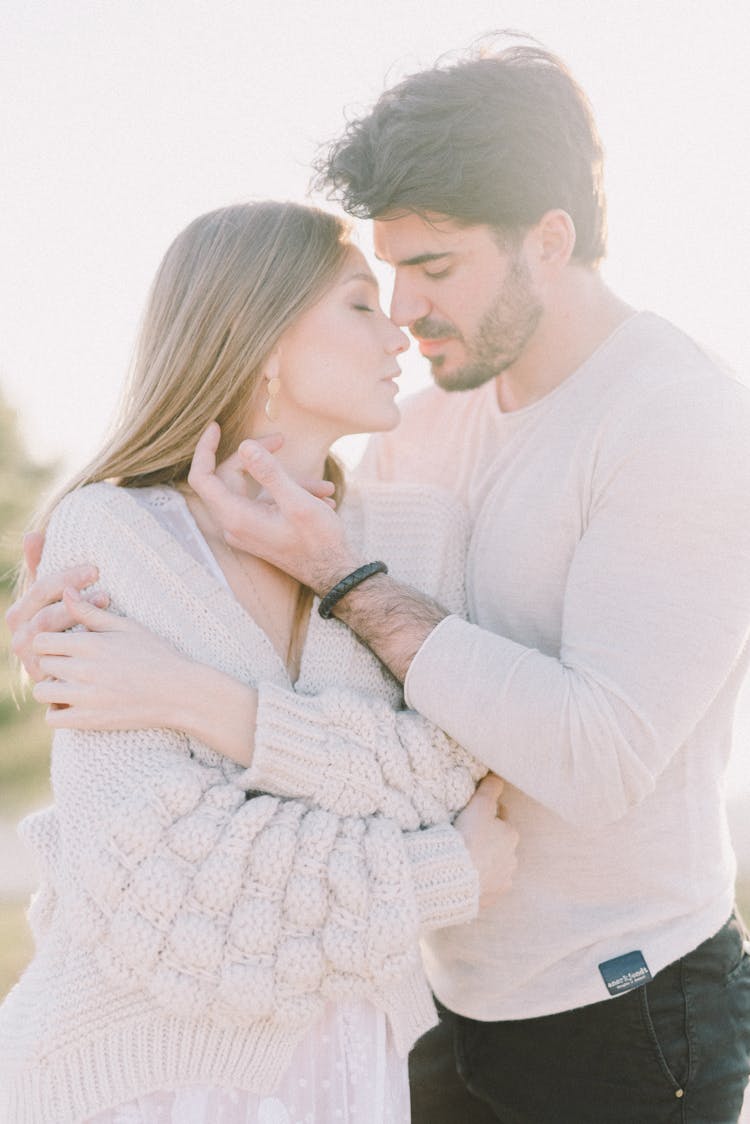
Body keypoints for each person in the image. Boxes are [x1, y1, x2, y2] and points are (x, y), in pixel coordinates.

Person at [10, 39, 750, 1124]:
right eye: (386, 274)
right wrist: (72, 637)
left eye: (436, 267)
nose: (404, 310)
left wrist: (223, 669)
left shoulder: (678, 423)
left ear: (548, 243)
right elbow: (361, 723)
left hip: (619, 1009)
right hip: (429, 1004)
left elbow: (582, 761)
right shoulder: (433, 409)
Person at [0, 200, 520, 1124]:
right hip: (124, 1085)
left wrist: (198, 701)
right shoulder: (110, 533)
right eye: (360, 304)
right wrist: (439, 874)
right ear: (263, 336)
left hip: (348, 1082)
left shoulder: (420, 538)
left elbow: (452, 778)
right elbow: (161, 892)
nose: (398, 325)